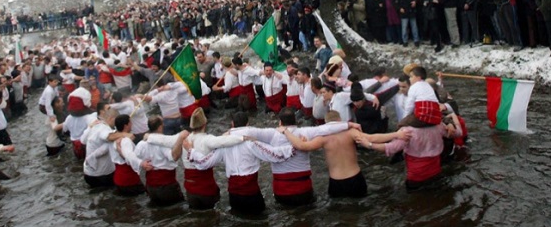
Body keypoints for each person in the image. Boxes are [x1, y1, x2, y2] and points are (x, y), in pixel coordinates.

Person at [279, 111, 410, 198]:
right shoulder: (351, 132)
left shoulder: (322, 138)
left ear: (326, 123)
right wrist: (396, 134)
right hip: (356, 178)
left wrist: (286, 132)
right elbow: (372, 138)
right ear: (340, 120)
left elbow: (302, 146)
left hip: (336, 183)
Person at [184, 112, 294, 215]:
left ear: (232, 124)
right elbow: (274, 154)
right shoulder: (250, 142)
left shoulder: (224, 145)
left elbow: (205, 162)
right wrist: (293, 148)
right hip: (251, 195)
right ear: (247, 124)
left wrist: (191, 151)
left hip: (234, 197)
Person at [147, 108, 244, 210]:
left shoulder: (183, 138)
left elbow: (163, 140)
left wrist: (148, 136)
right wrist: (243, 137)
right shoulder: (208, 139)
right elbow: (224, 141)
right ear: (204, 124)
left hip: (191, 192)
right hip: (207, 190)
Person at [357, 113, 462, 190]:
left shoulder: (407, 131)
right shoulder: (439, 126)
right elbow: (459, 133)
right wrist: (453, 118)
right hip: (435, 172)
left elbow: (391, 148)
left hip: (416, 177)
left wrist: (369, 145)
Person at [131, 116, 188, 205]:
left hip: (151, 187)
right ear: (160, 127)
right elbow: (174, 157)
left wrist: (142, 163)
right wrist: (180, 141)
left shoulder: (141, 144)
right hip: (167, 186)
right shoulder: (163, 145)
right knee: (178, 209)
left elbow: (133, 158)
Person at [81, 108, 133, 188]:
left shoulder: (94, 125)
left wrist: (89, 127)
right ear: (111, 118)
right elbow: (109, 136)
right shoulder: (103, 128)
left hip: (88, 174)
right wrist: (125, 134)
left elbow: (83, 141)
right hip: (101, 175)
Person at [110, 115, 146, 196]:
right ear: (126, 125)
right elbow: (128, 157)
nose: (132, 124)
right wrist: (142, 163)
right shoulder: (126, 141)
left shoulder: (113, 138)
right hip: (129, 180)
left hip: (118, 179)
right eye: (130, 122)